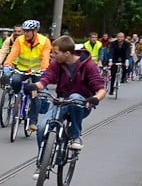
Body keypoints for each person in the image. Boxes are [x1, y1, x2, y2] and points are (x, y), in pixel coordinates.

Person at [25, 36, 105, 177]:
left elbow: (101, 88)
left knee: (75, 97)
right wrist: (36, 86)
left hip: (81, 105)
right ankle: (42, 164)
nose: (52, 55)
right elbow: (46, 78)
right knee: (42, 128)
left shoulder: (88, 65)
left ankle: (75, 136)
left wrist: (94, 99)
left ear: (67, 53)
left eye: (55, 53)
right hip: (61, 102)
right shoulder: (57, 64)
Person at [3, 19, 51, 133]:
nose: (26, 33)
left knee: (36, 95)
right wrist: (7, 64)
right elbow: (13, 53)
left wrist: (44, 70)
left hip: (37, 71)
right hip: (22, 69)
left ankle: (33, 122)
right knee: (14, 81)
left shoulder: (45, 41)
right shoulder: (20, 40)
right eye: (24, 31)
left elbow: (45, 57)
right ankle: (17, 98)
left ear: (35, 31)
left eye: (28, 31)